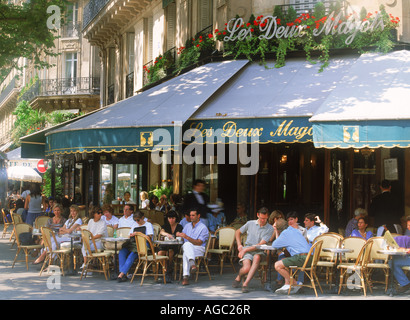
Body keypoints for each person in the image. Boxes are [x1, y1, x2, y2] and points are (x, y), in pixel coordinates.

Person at [232, 207, 274, 293]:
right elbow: (237, 232)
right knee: (246, 268)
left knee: (257, 257)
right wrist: (239, 245)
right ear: (258, 215)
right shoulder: (250, 223)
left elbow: (260, 245)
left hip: (260, 250)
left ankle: (245, 284)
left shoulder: (270, 228)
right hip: (247, 248)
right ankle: (239, 276)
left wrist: (244, 250)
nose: (263, 220)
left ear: (268, 217)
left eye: (265, 218)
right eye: (261, 218)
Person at [272, 217, 313, 294]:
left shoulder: (284, 233)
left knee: (277, 265)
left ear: (279, 229)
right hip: (310, 258)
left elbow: (275, 245)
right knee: (285, 261)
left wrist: (276, 232)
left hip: (301, 258)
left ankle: (294, 283)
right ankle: (288, 284)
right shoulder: (295, 230)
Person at [116, 210, 154, 282]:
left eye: (138, 220)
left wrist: (138, 233)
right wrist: (131, 235)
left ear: (142, 218)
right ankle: (123, 273)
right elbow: (129, 235)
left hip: (143, 244)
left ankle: (121, 274)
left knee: (132, 254)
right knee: (122, 252)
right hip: (133, 243)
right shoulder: (134, 224)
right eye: (135, 220)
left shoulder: (148, 225)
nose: (137, 222)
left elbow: (149, 237)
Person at [176, 209, 209, 286]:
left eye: (193, 215)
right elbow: (182, 237)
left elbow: (199, 242)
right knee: (187, 246)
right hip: (189, 249)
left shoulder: (203, 228)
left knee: (186, 250)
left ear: (198, 216)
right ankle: (192, 263)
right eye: (190, 215)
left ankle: (185, 277)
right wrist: (179, 235)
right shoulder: (187, 226)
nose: (191, 217)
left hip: (199, 248)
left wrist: (187, 237)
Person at [158, 210, 184, 281]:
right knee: (160, 253)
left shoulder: (179, 226)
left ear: (176, 218)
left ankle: (168, 270)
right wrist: (167, 234)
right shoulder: (166, 225)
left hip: (175, 246)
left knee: (170, 252)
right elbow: (161, 232)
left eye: (173, 218)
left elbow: (180, 235)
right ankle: (165, 269)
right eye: (169, 218)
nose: (171, 220)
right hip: (165, 245)